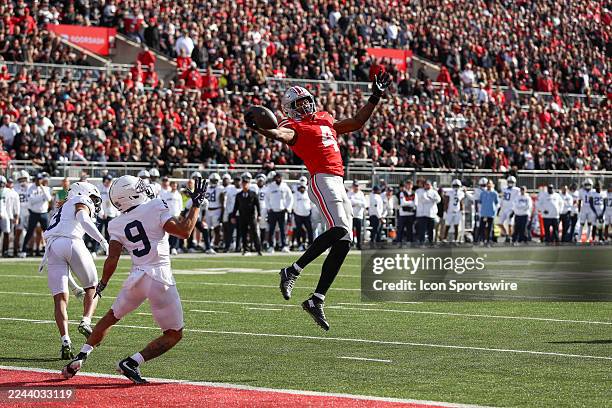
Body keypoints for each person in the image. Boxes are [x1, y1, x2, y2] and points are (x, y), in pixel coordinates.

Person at [244, 72, 391, 330]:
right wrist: (263, 130)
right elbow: (282, 136)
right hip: (321, 178)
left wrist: (375, 96)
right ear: (291, 109)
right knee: (341, 230)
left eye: (306, 101)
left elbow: (356, 122)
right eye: (299, 104)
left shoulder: (325, 118)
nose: (305, 106)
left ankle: (316, 298)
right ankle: (293, 270)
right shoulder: (293, 126)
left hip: (338, 180)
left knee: (345, 241)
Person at [62, 175, 207, 383]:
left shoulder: (115, 224)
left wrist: (103, 283)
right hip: (160, 277)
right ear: (132, 193)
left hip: (137, 278)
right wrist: (196, 205)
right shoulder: (156, 205)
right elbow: (184, 232)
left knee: (111, 316)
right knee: (174, 333)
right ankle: (133, 361)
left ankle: (82, 355)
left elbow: (112, 259)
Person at [41, 182, 107, 359]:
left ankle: (65, 341)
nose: (93, 201)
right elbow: (84, 219)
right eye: (92, 197)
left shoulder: (60, 211)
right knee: (94, 287)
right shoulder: (80, 199)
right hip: (73, 242)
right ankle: (86, 321)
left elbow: (62, 253)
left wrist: (74, 286)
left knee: (60, 299)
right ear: (83, 193)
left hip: (53, 248)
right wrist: (102, 241)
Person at [22, 173, 52, 257]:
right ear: (35, 179)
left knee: (47, 233)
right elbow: (31, 200)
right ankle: (23, 250)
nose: (38, 181)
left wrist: (42, 189)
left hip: (44, 213)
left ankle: (50, 250)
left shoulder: (46, 188)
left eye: (40, 179)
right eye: (37, 179)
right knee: (30, 232)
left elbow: (49, 199)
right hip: (34, 213)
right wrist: (42, 198)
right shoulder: (30, 188)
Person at [231, 174, 262, 255]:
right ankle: (245, 249)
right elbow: (236, 206)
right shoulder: (239, 195)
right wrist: (233, 216)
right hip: (242, 216)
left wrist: (259, 214)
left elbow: (257, 205)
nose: (245, 185)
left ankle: (258, 249)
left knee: (254, 232)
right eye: (243, 183)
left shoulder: (253, 193)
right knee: (243, 233)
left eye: (246, 183)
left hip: (251, 216)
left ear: (249, 184)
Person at [265, 172, 293, 253]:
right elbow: (266, 198)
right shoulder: (270, 186)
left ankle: (284, 246)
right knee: (272, 229)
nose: (278, 179)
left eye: (280, 177)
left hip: (282, 211)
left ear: (282, 178)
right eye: (277, 177)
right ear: (275, 178)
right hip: (272, 211)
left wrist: (288, 208)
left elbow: (290, 198)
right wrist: (269, 208)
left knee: (283, 230)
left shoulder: (285, 187)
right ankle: (271, 246)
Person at [160, 178, 184, 254]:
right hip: (168, 216)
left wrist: (180, 215)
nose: (174, 187)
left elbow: (181, 206)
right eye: (173, 185)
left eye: (175, 186)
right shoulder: (166, 194)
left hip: (176, 216)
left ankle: (174, 247)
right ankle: (168, 247)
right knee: (167, 233)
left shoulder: (178, 195)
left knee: (175, 232)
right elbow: (163, 205)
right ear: (170, 186)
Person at [204, 172, 224, 253]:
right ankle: (208, 245)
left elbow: (222, 202)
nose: (214, 182)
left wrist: (222, 214)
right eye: (212, 180)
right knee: (207, 229)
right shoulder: (207, 188)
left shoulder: (220, 188)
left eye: (215, 180)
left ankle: (215, 245)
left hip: (217, 210)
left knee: (217, 229)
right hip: (208, 210)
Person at [415, 180, 441, 244]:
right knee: (422, 230)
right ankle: (422, 242)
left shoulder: (434, 192)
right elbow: (423, 199)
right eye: (426, 184)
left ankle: (431, 242)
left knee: (431, 230)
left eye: (428, 184)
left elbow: (438, 199)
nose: (427, 186)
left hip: (431, 214)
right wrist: (431, 200)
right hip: (422, 214)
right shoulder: (419, 191)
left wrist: (431, 199)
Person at [13, 171, 31, 257]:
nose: (22, 181)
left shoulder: (31, 187)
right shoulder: (15, 188)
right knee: (18, 232)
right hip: (20, 212)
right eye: (20, 179)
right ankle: (15, 250)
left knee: (30, 232)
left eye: (24, 179)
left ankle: (29, 249)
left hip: (29, 212)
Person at [498, 176, 520, 242]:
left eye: (512, 182)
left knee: (510, 224)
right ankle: (506, 235)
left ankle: (509, 237)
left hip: (510, 208)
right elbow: (502, 198)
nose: (510, 183)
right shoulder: (504, 188)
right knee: (499, 223)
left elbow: (518, 200)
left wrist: (514, 210)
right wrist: (500, 207)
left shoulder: (517, 190)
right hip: (503, 208)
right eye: (509, 182)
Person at [395, 180, 417, 245]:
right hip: (403, 214)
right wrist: (411, 203)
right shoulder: (402, 193)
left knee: (410, 230)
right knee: (400, 229)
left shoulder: (414, 193)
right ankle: (399, 242)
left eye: (410, 184)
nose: (409, 186)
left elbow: (415, 204)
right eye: (407, 184)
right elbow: (403, 203)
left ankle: (409, 242)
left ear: (412, 186)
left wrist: (408, 203)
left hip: (411, 214)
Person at [292, 179, 313, 250]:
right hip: (298, 215)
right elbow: (293, 204)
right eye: (301, 188)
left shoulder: (308, 194)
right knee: (299, 230)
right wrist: (295, 211)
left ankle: (311, 243)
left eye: (303, 188)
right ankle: (299, 244)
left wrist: (310, 210)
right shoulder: (295, 195)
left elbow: (311, 204)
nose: (302, 189)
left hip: (307, 214)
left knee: (309, 230)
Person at [222, 175, 241, 252]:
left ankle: (238, 247)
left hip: (241, 214)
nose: (237, 182)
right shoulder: (230, 191)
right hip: (232, 213)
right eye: (236, 181)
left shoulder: (243, 190)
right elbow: (227, 203)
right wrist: (227, 214)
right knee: (230, 232)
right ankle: (227, 247)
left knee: (239, 232)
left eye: (238, 180)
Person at [478, 180, 499, 245]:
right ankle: (482, 239)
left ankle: (488, 240)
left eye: (490, 184)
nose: (489, 185)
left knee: (490, 227)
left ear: (492, 185)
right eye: (488, 184)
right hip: (484, 213)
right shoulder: (483, 193)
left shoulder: (494, 193)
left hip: (491, 213)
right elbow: (480, 202)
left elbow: (497, 202)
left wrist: (495, 211)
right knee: (482, 227)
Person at [2, 177, 19, 256]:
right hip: (5, 215)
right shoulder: (8, 192)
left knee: (7, 234)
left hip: (8, 216)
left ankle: (5, 251)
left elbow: (14, 206)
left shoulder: (12, 192)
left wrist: (15, 217)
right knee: (7, 234)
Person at [347, 181, 366, 250]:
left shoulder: (361, 194)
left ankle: (359, 244)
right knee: (350, 231)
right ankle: (350, 244)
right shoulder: (349, 193)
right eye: (355, 186)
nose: (356, 187)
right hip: (350, 215)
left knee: (358, 231)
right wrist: (356, 203)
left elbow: (364, 204)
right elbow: (347, 203)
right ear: (353, 186)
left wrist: (356, 202)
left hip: (359, 215)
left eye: (357, 186)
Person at [254, 174, 269, 252]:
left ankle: (263, 242)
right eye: (259, 181)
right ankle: (256, 244)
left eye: (261, 181)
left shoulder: (266, 189)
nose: (260, 182)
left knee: (263, 227)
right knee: (255, 228)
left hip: (263, 209)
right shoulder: (254, 188)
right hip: (255, 209)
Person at [471, 177, 488, 243]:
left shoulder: (489, 191)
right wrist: (477, 212)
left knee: (486, 226)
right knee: (478, 225)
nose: (484, 187)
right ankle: (477, 239)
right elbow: (475, 201)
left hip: (487, 212)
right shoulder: (477, 191)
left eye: (485, 185)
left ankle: (485, 239)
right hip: (480, 211)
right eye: (482, 185)